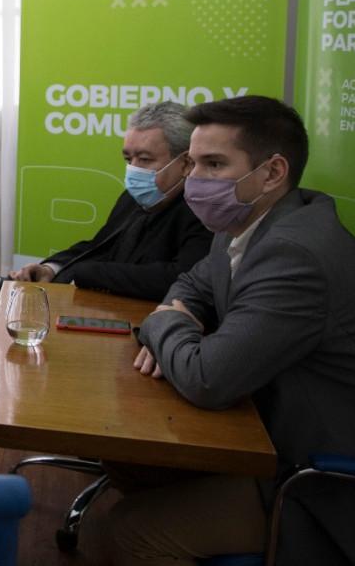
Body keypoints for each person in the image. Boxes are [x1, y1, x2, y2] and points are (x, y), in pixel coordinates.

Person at [113, 96, 355, 565]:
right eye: (193, 163)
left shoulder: (296, 255)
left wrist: (162, 323)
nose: (194, 180)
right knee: (130, 463)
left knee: (130, 533)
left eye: (215, 164)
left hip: (312, 480)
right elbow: (191, 283)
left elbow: (208, 378)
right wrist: (180, 314)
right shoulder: (245, 218)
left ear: (273, 172)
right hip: (258, 431)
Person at [8, 101, 212, 301]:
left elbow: (180, 277)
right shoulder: (132, 197)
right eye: (128, 159)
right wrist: (50, 269)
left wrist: (86, 273)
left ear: (186, 163)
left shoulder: (205, 211)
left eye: (144, 159)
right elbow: (99, 247)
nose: (133, 169)